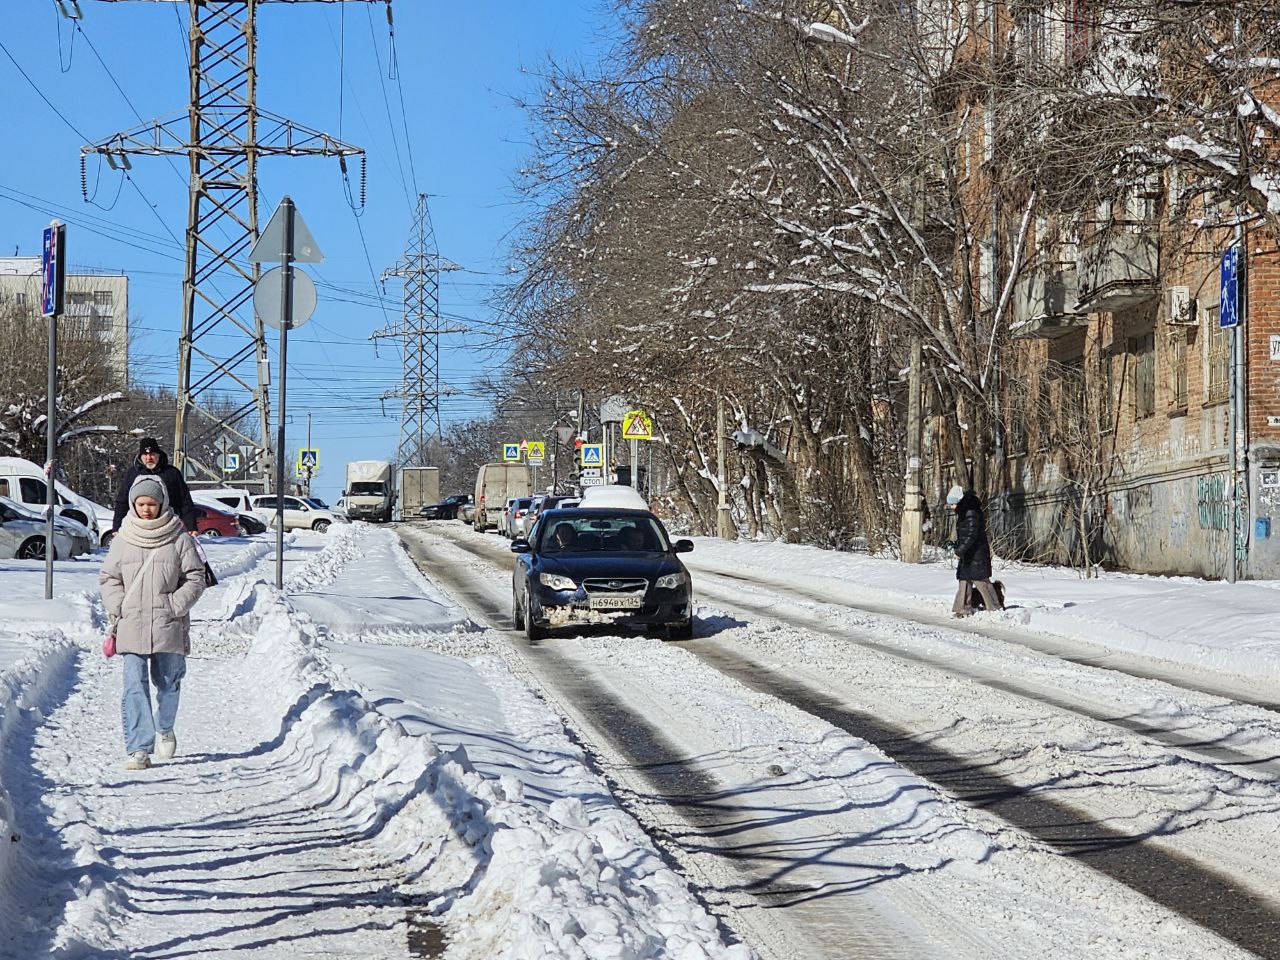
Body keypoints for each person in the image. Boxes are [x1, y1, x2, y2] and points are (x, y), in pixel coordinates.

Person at [100, 476, 207, 770]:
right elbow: (109, 577)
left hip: (167, 623)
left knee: (169, 682)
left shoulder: (178, 537)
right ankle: (139, 749)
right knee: (134, 685)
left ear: (162, 504)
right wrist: (118, 604)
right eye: (141, 503)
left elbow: (195, 577)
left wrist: (174, 605)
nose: (146, 509)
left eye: (151, 503)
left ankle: (165, 726)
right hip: (132, 622)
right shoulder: (123, 538)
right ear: (134, 504)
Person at [112, 437, 199, 534]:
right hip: (139, 528)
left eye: (152, 454)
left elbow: (184, 501)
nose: (149, 458)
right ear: (140, 456)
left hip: (167, 527)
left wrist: (191, 526)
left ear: (159, 455)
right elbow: (122, 502)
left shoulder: (172, 473)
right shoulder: (132, 474)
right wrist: (117, 527)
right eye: (145, 454)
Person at [947, 485, 1003, 617]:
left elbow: (971, 534)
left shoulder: (970, 512)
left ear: (959, 501)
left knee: (981, 581)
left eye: (953, 504)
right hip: (969, 553)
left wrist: (960, 550)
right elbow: (965, 534)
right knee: (964, 581)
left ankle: (995, 607)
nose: (951, 507)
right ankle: (962, 609)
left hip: (976, 553)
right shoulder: (964, 512)